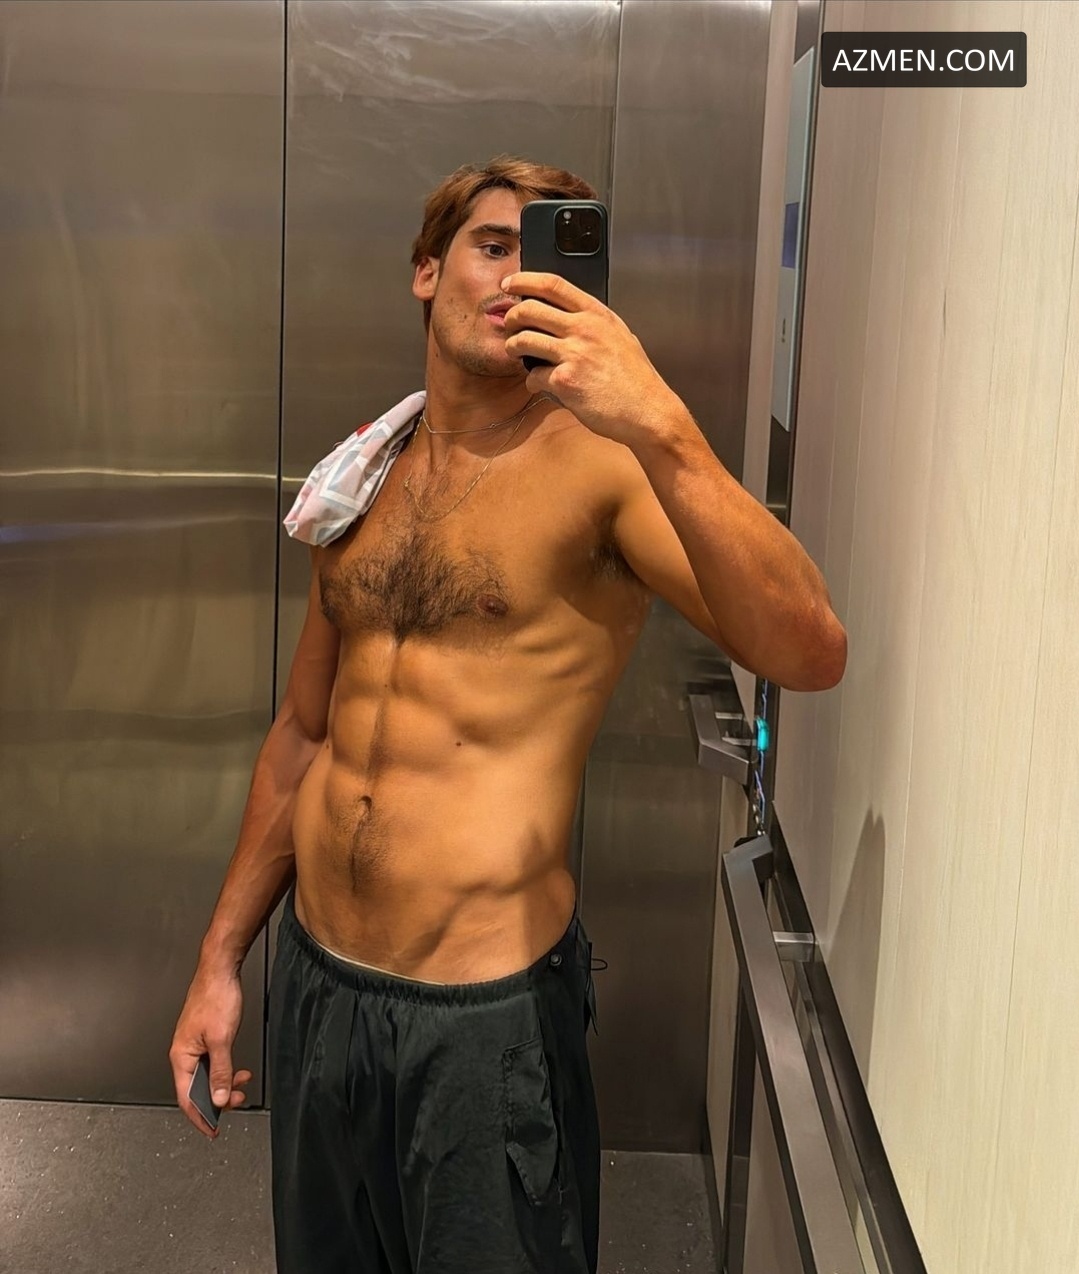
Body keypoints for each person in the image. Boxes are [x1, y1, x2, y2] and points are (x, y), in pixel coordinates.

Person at [169, 156, 847, 1274]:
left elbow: (808, 649)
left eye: (544, 255)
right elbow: (305, 735)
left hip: (480, 1028)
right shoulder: (364, 476)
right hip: (320, 990)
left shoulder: (603, 472)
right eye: (492, 246)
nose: (518, 277)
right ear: (426, 273)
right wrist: (219, 960)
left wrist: (662, 424)